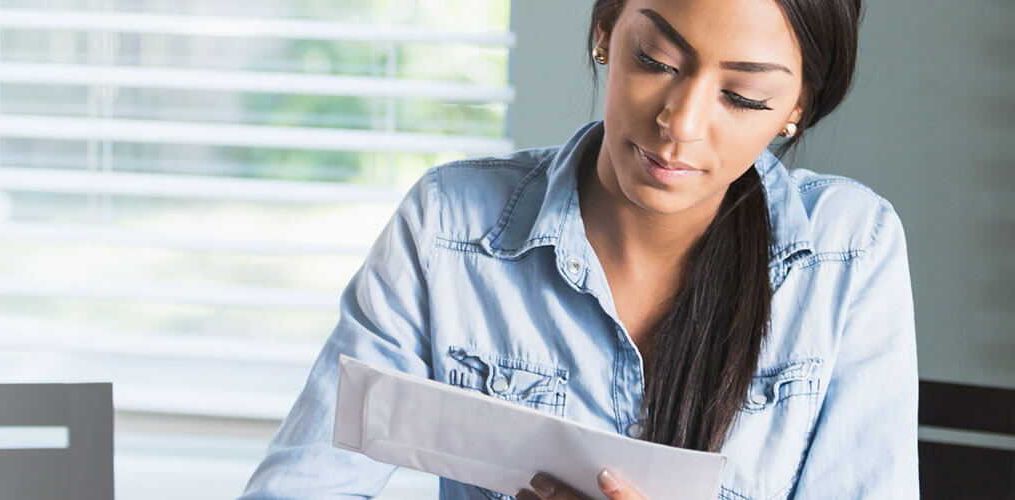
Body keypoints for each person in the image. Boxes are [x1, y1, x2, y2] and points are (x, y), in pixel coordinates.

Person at [239, 0, 916, 498]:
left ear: (799, 104)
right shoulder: (449, 227)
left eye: (743, 96)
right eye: (656, 60)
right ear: (604, 32)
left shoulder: (849, 251)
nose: (679, 123)